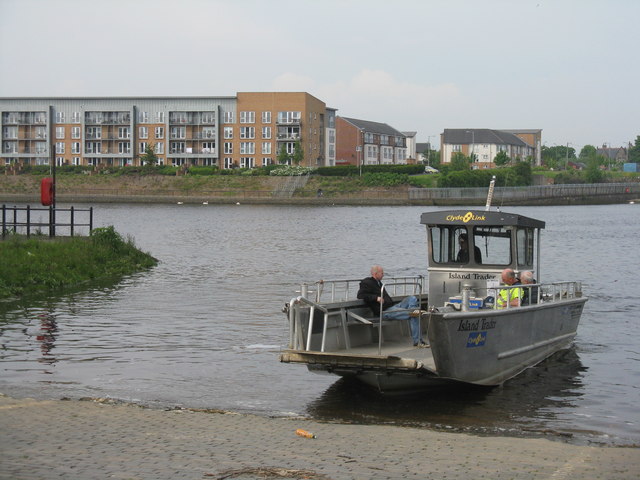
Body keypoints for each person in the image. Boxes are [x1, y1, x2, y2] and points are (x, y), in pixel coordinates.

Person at [357, 265, 427, 347]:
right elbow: (360, 295)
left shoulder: (379, 283)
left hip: (393, 306)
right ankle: (418, 341)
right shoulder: (367, 282)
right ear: (375, 274)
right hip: (385, 311)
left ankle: (412, 311)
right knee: (414, 315)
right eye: (382, 273)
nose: (383, 274)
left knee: (412, 298)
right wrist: (376, 298)